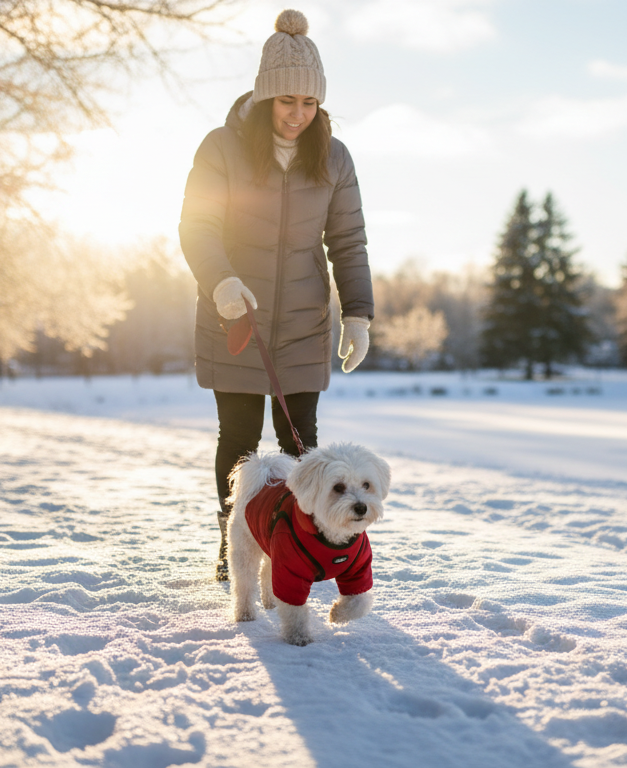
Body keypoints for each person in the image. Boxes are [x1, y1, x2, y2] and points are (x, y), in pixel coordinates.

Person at [179, 9, 374, 581]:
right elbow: (197, 227)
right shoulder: (223, 147)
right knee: (240, 441)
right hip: (235, 314)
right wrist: (221, 282)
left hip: (304, 321)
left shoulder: (334, 157)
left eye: (309, 104)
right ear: (267, 97)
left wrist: (358, 314)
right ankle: (233, 547)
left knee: (301, 445)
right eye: (287, 101)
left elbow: (348, 239)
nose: (298, 115)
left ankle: (302, 551)